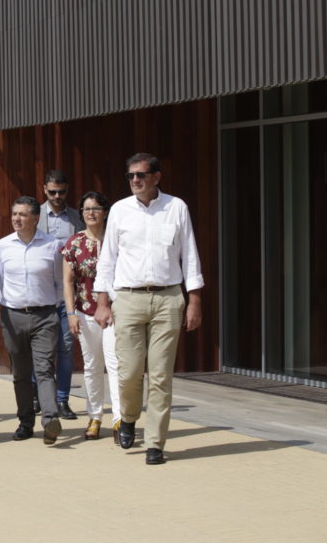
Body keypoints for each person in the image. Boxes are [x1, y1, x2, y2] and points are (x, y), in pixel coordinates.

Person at [94, 153, 203, 466]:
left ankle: (156, 443)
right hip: (127, 299)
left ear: (157, 176)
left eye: (141, 175)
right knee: (128, 372)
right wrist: (103, 301)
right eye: (130, 176)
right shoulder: (119, 210)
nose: (135, 181)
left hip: (168, 299)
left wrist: (194, 298)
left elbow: (190, 255)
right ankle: (128, 418)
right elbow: (108, 258)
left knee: (160, 376)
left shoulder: (176, 207)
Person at [0, 196, 64, 445]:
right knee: (21, 373)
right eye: (14, 214)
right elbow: (0, 281)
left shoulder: (52, 245)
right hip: (12, 316)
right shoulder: (2, 246)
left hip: (45, 316)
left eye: (23, 214)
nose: (17, 218)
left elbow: (59, 282)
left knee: (44, 368)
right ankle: (25, 422)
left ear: (36, 218)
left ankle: (49, 420)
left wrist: (51, 308)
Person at [61, 191, 121, 441]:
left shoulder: (118, 240)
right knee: (92, 366)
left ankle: (120, 418)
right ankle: (95, 416)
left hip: (116, 312)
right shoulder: (73, 243)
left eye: (96, 208)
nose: (91, 213)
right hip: (85, 312)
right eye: (86, 209)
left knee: (116, 365)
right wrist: (70, 313)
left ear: (105, 212)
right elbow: (67, 281)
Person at [38, 169, 84, 420]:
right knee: (41, 350)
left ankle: (63, 399)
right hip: (40, 295)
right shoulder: (35, 216)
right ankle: (39, 395)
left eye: (62, 192)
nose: (57, 196)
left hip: (67, 295)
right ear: (44, 189)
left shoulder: (77, 219)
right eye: (52, 191)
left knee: (66, 349)